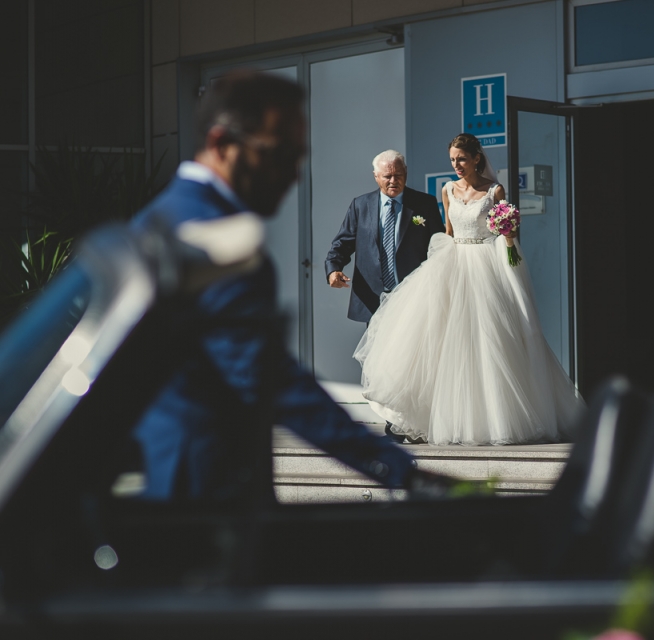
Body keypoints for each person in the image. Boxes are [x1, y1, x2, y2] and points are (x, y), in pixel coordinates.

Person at [129, 70, 447, 500]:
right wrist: (398, 470)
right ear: (223, 144)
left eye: (299, 156)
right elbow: (269, 377)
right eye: (280, 155)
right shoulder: (212, 238)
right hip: (203, 492)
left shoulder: (159, 218)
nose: (294, 175)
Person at [354, 133, 584, 445]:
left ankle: (498, 420)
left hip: (486, 265)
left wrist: (508, 231)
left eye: (462, 158)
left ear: (476, 158)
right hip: (454, 263)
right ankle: (449, 418)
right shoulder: (447, 189)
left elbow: (510, 233)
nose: (457, 165)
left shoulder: (494, 190)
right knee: (447, 340)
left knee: (491, 340)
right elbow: (447, 232)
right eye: (452, 160)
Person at [325, 150, 444, 442]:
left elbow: (439, 245)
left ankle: (408, 424)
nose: (394, 180)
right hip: (374, 299)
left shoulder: (424, 204)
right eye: (387, 175)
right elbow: (341, 244)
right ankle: (394, 419)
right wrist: (333, 270)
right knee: (380, 364)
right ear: (376, 176)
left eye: (399, 174)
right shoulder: (361, 205)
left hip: (413, 296)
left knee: (411, 362)